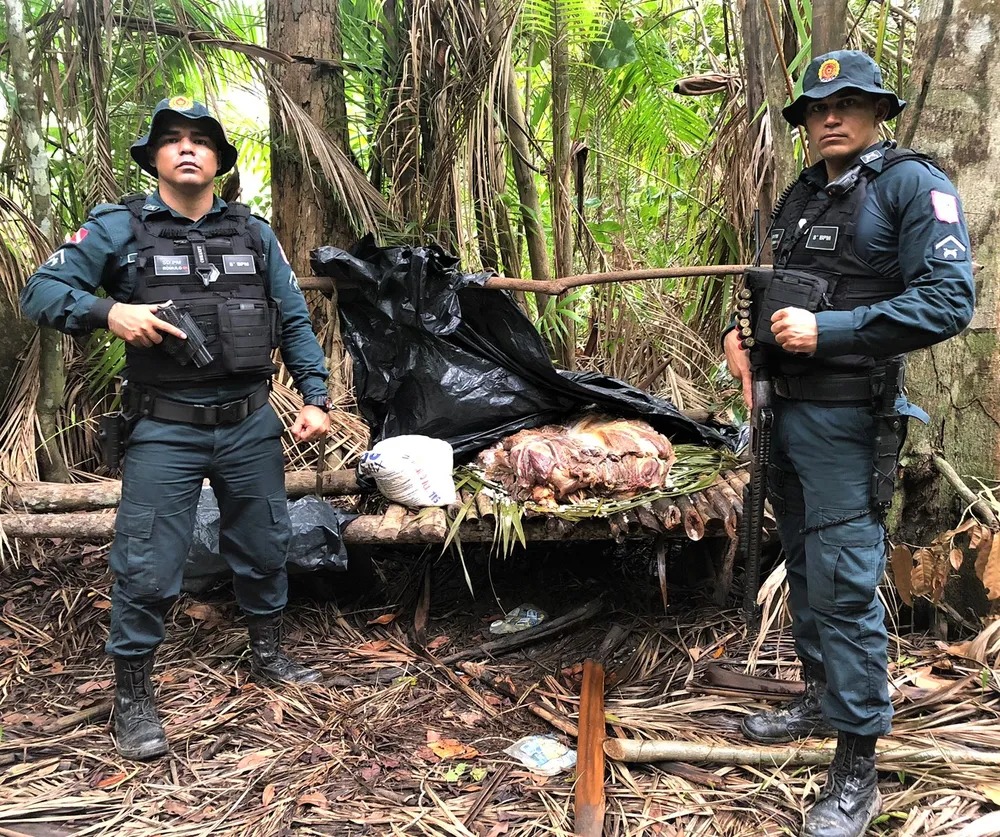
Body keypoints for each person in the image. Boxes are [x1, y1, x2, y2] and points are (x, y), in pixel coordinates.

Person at [20, 96, 335, 761]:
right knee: (147, 560)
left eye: (201, 139)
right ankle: (132, 694)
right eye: (173, 139)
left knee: (264, 539)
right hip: (166, 427)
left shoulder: (254, 233)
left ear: (219, 160)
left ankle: (269, 651)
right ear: (156, 158)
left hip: (251, 421)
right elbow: (40, 292)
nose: (188, 147)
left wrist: (315, 395)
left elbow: (294, 319)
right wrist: (111, 313)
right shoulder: (118, 228)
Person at [724, 51, 974, 837]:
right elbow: (779, 293)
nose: (830, 116)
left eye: (850, 102)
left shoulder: (911, 184)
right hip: (785, 415)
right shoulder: (799, 195)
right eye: (816, 108)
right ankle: (818, 698)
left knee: (843, 582)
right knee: (803, 566)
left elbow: (948, 298)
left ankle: (856, 763)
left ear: (878, 111)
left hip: (848, 419)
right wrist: (745, 340)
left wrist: (829, 332)